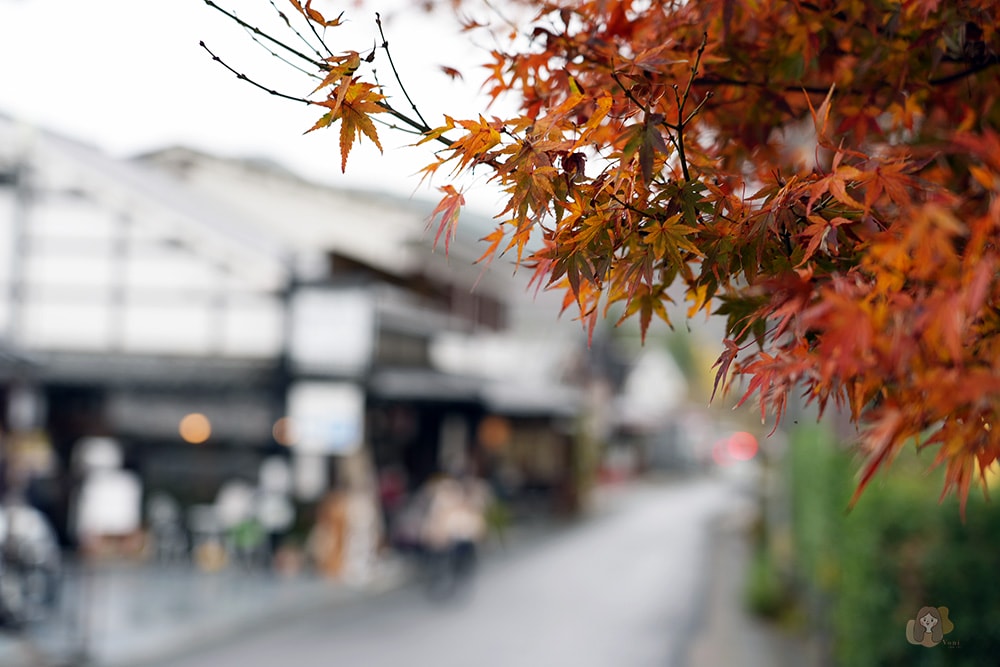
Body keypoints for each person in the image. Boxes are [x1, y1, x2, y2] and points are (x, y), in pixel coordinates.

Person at [417, 471, 491, 598]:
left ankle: (451, 580)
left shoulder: (456, 506)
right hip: (443, 542)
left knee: (453, 561)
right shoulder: (439, 505)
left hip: (453, 542)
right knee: (444, 563)